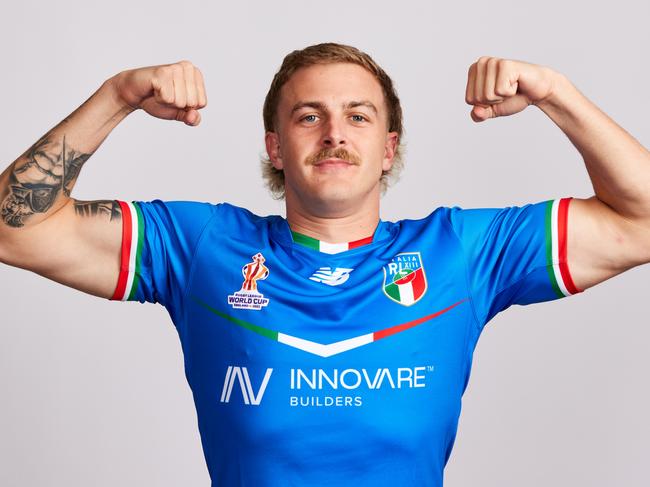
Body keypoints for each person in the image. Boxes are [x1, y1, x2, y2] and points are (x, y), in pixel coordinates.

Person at [0, 42, 648, 486]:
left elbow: (640, 219)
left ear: (388, 148)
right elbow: (16, 231)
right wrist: (117, 95)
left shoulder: (461, 253)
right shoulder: (202, 247)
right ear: (275, 147)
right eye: (310, 116)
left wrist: (556, 93)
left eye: (358, 117)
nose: (335, 133)